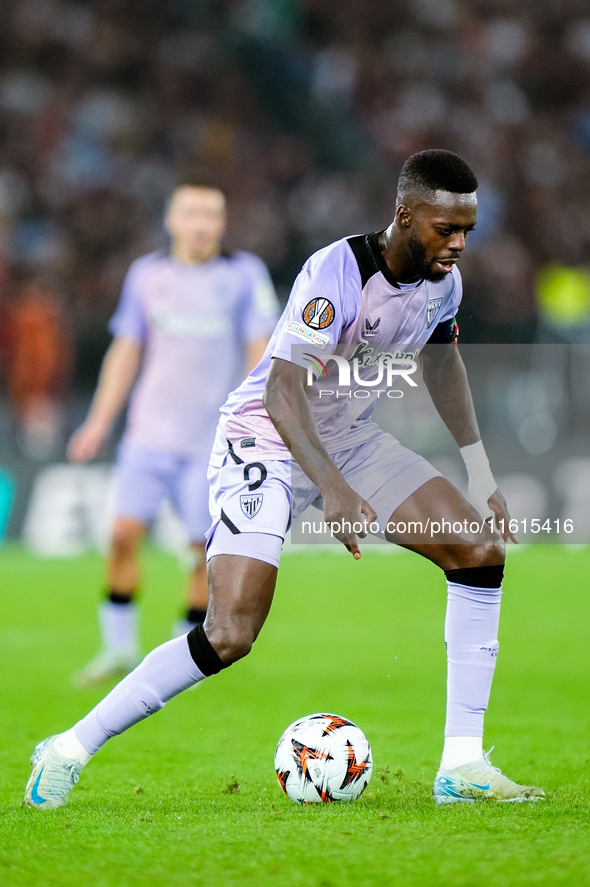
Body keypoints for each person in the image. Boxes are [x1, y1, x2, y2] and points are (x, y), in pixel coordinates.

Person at [25, 150, 545, 807]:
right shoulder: (338, 271)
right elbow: (281, 387)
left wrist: (477, 466)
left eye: (466, 229)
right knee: (230, 631)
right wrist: (329, 487)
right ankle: (69, 745)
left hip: (350, 437)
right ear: (405, 215)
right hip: (265, 437)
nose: (459, 244)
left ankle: (461, 766)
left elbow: (442, 366)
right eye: (446, 229)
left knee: (475, 551)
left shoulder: (445, 284)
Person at [67, 175, 279, 685]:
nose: (201, 224)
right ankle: (118, 650)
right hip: (148, 434)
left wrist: (260, 419)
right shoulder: (147, 275)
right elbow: (126, 350)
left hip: (211, 439)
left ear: (223, 224)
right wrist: (98, 421)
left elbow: (260, 350)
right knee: (121, 536)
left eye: (211, 215)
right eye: (192, 214)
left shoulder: (245, 275)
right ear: (172, 220)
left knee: (201, 552)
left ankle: (182, 657)